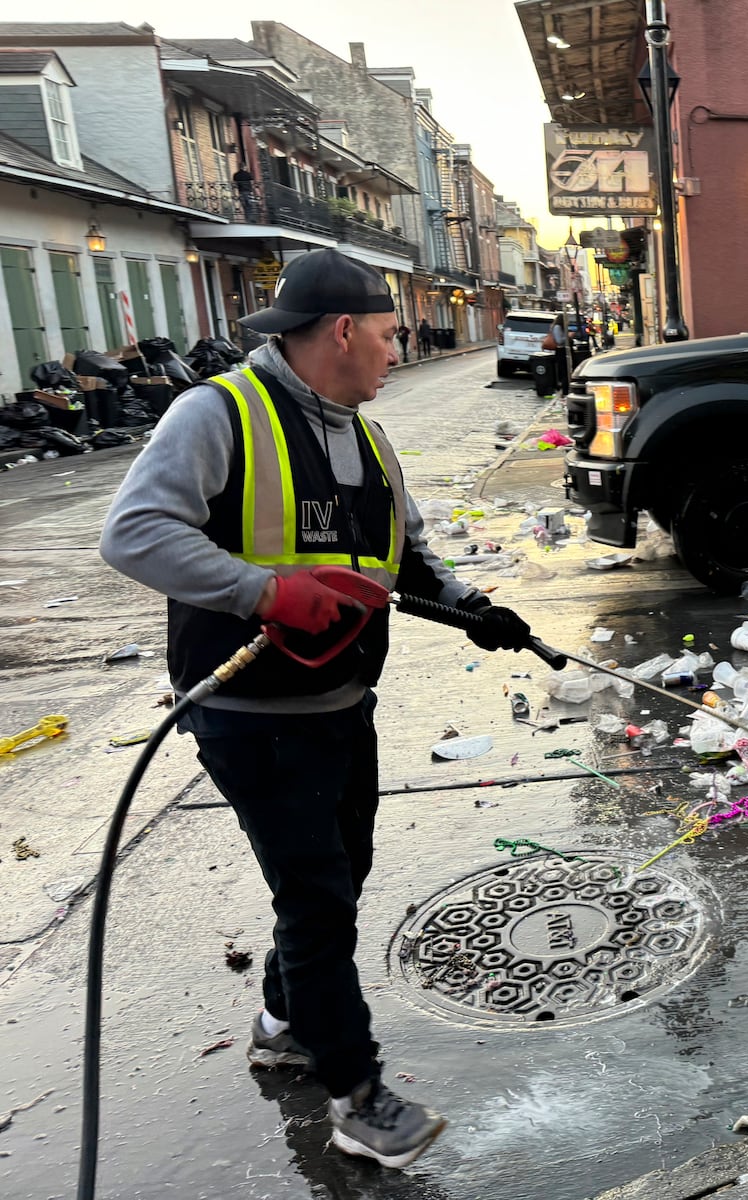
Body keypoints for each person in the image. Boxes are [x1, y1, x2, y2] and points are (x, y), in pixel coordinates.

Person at [99, 249, 535, 1169]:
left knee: (341, 873)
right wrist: (262, 593)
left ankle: (283, 1021)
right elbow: (132, 532)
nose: (393, 352)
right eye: (385, 336)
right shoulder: (215, 415)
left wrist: (477, 611)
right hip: (250, 712)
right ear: (342, 331)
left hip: (343, 701)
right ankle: (359, 1095)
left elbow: (404, 556)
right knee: (316, 897)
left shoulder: (368, 436)